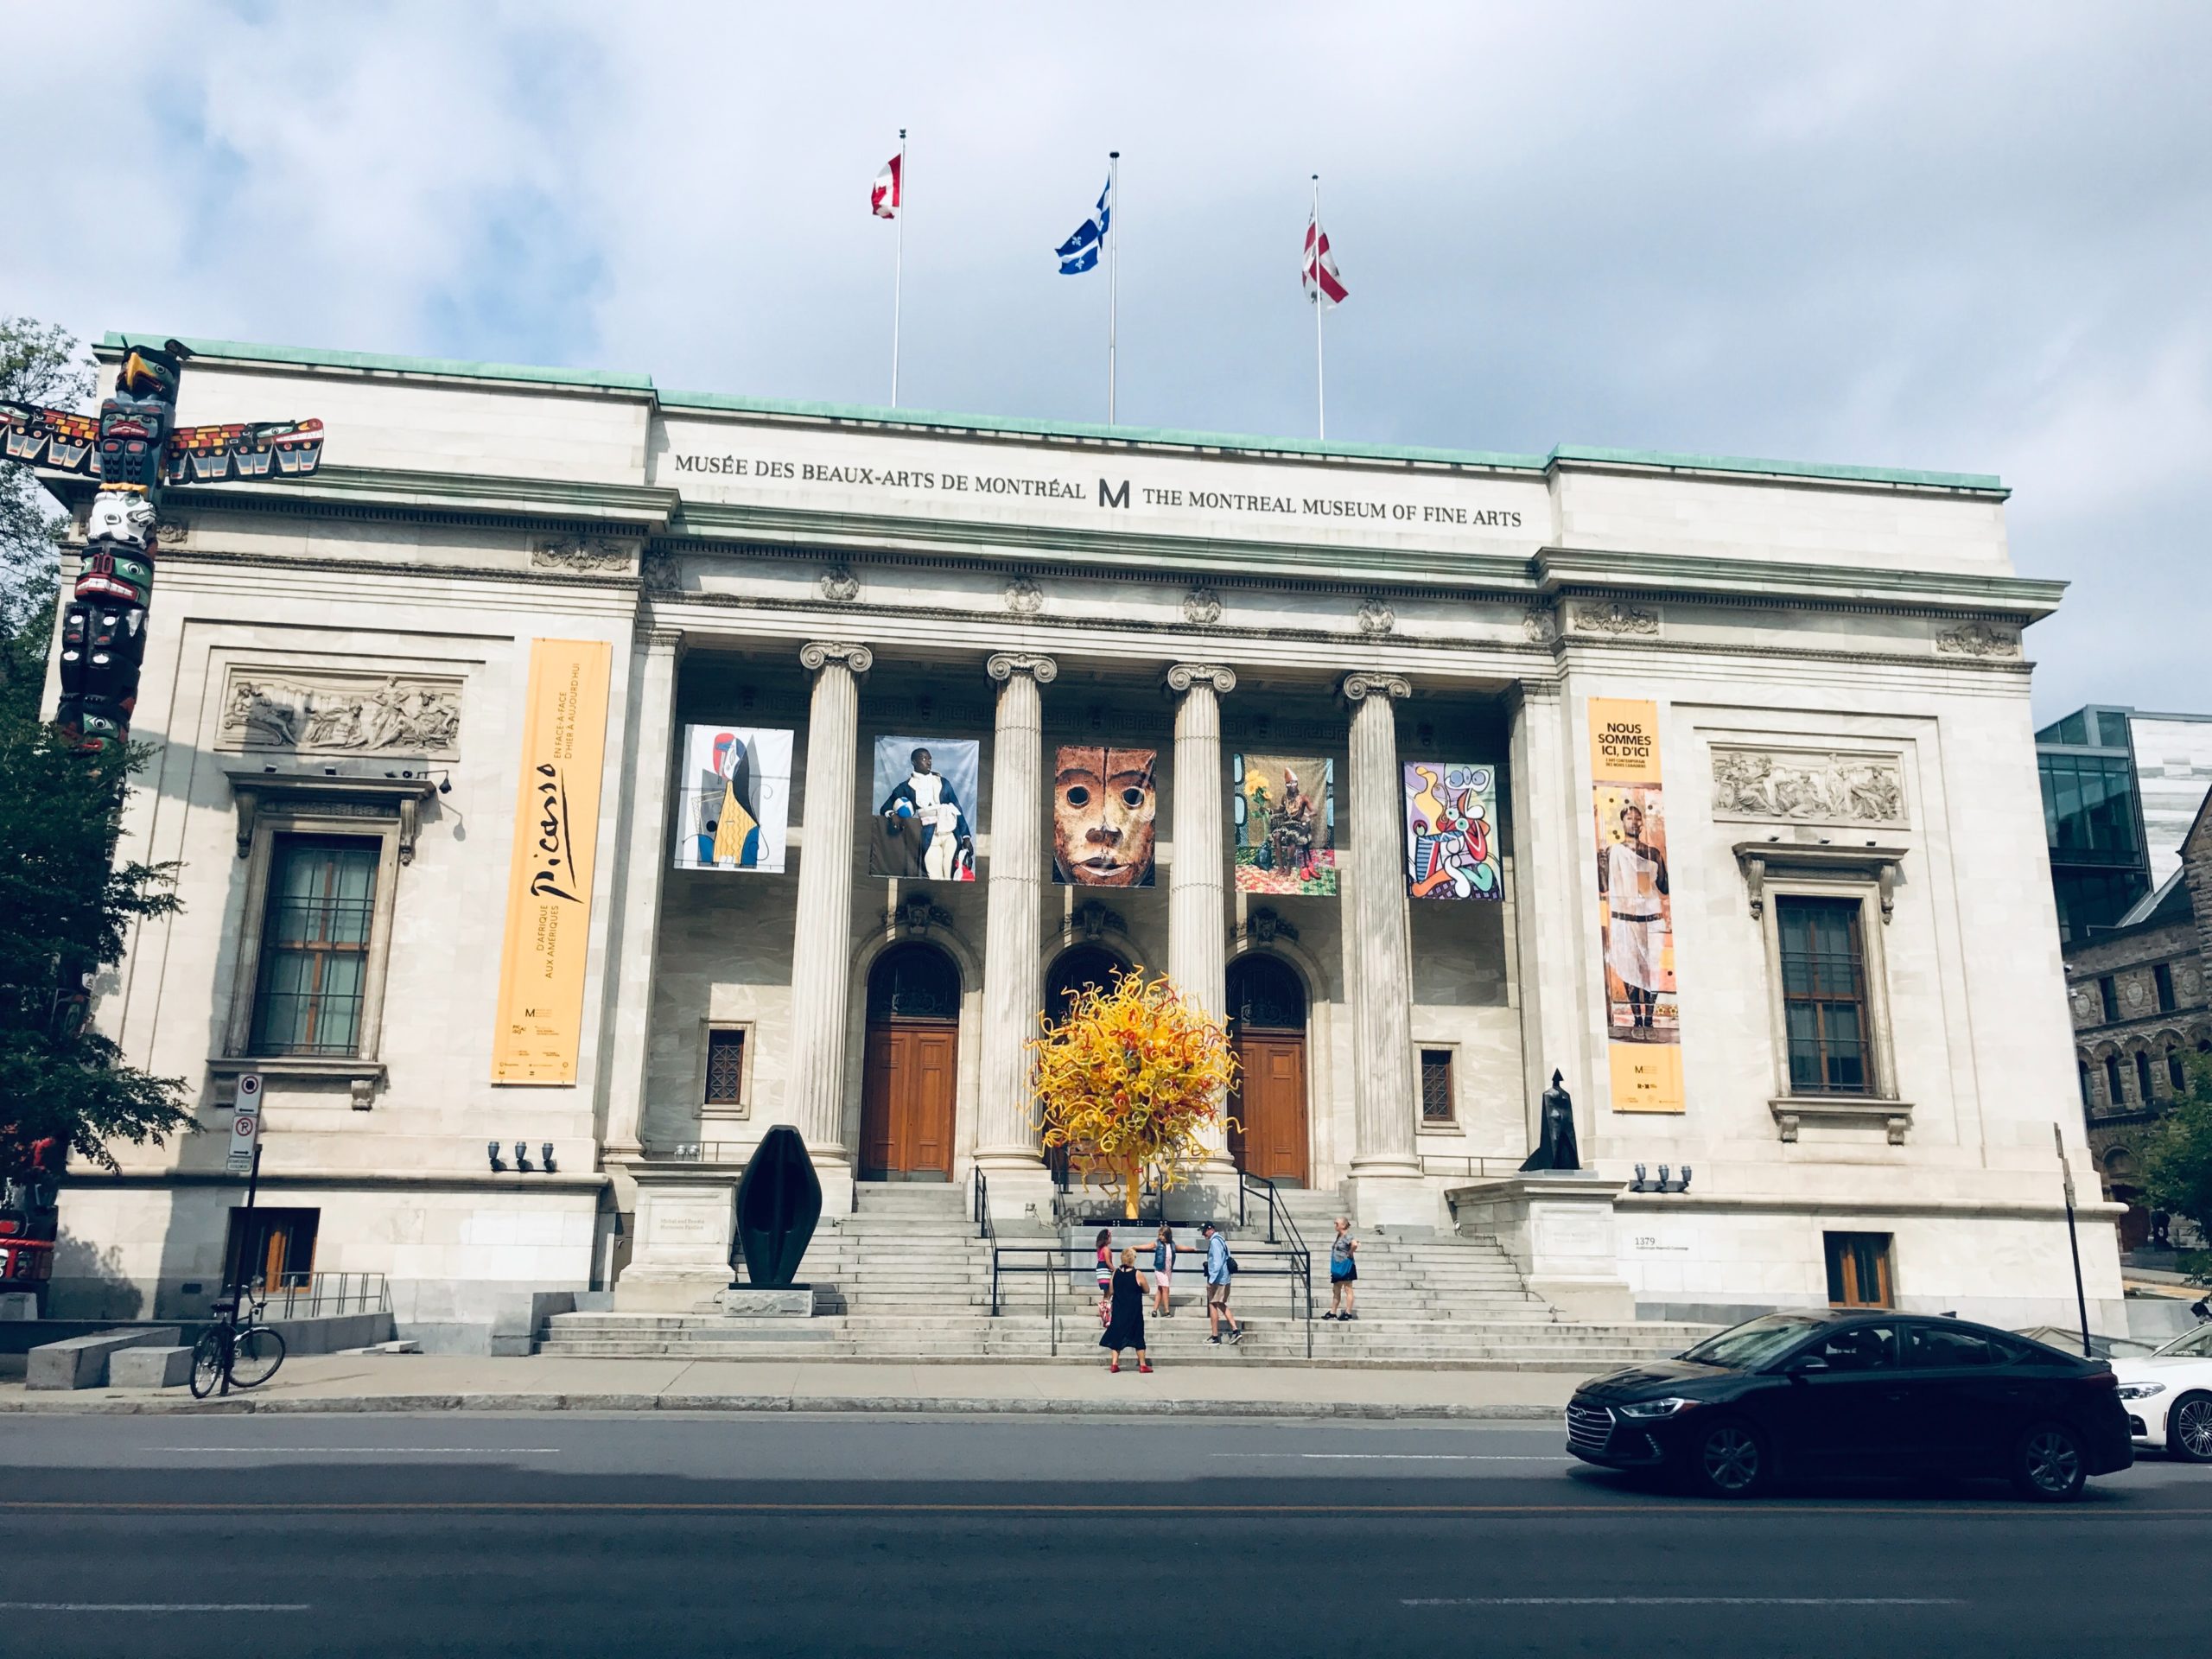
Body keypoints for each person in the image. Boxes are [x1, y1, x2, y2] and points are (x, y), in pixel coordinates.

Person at [1597, 800, 1669, 1033]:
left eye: (1638, 818)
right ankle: (1637, 1017)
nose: (1634, 822)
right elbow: (1603, 886)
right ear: (1622, 822)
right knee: (1629, 969)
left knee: (1651, 970)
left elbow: (1663, 887)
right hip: (1624, 919)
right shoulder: (1613, 852)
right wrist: (1600, 864)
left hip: (1649, 920)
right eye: (1630, 818)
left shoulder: (1652, 853)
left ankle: (1649, 1019)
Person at [1100, 1247, 1153, 1373]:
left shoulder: (1116, 1273)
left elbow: (1111, 1291)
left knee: (1117, 1335)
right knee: (1138, 1336)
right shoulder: (1137, 1274)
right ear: (1132, 1259)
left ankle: (1114, 1363)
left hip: (1119, 1310)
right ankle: (1143, 1364)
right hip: (1134, 1311)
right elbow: (1147, 1290)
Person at [1200, 1220, 1243, 1344]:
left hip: (1218, 1279)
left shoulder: (1214, 1242)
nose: (1203, 1235)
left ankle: (1217, 1336)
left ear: (1210, 1229)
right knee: (1220, 1304)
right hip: (1224, 1277)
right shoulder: (1221, 1240)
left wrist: (1211, 1280)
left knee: (1213, 1304)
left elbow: (1218, 1263)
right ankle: (1233, 1331)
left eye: (1204, 1232)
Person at [1325, 1217, 1358, 1320]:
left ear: (1343, 1225)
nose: (1335, 1225)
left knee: (1348, 1289)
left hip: (1346, 1266)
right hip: (1338, 1267)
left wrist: (1350, 1253)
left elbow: (1355, 1244)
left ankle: (1348, 1312)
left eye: (1337, 1224)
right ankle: (1333, 1312)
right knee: (1336, 1289)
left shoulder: (1347, 1236)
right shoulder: (1339, 1236)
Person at [1151, 1225, 1176, 1318]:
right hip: (1160, 1269)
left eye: (1162, 1235)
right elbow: (1148, 1246)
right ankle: (1167, 1311)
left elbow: (1180, 1247)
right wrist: (1135, 1247)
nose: (1160, 1237)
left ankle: (1154, 1310)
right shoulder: (1158, 1243)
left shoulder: (1172, 1244)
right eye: (1159, 1235)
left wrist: (1192, 1249)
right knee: (1165, 1288)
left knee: (1160, 1290)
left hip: (1168, 1270)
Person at [1094, 1227, 1114, 1326]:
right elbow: (1108, 1262)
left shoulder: (1100, 1249)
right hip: (1105, 1269)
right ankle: (1106, 1312)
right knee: (1109, 1292)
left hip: (1101, 1269)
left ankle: (1105, 1310)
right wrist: (1115, 1270)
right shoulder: (1106, 1249)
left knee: (1107, 1292)